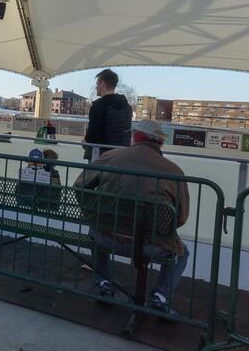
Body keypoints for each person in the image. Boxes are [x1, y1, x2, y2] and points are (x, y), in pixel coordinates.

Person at [74, 120, 191, 309]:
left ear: (135, 137)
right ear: (160, 143)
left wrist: (94, 213)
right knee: (182, 253)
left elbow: (80, 186)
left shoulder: (110, 157)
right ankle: (160, 296)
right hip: (150, 245)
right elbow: (181, 217)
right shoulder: (174, 171)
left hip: (106, 236)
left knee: (93, 233)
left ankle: (104, 283)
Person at [83, 68, 133, 161]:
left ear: (103, 84)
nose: (96, 87)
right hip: (121, 156)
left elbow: (93, 136)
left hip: (101, 156)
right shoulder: (127, 107)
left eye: (97, 84)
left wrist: (85, 141)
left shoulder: (98, 106)